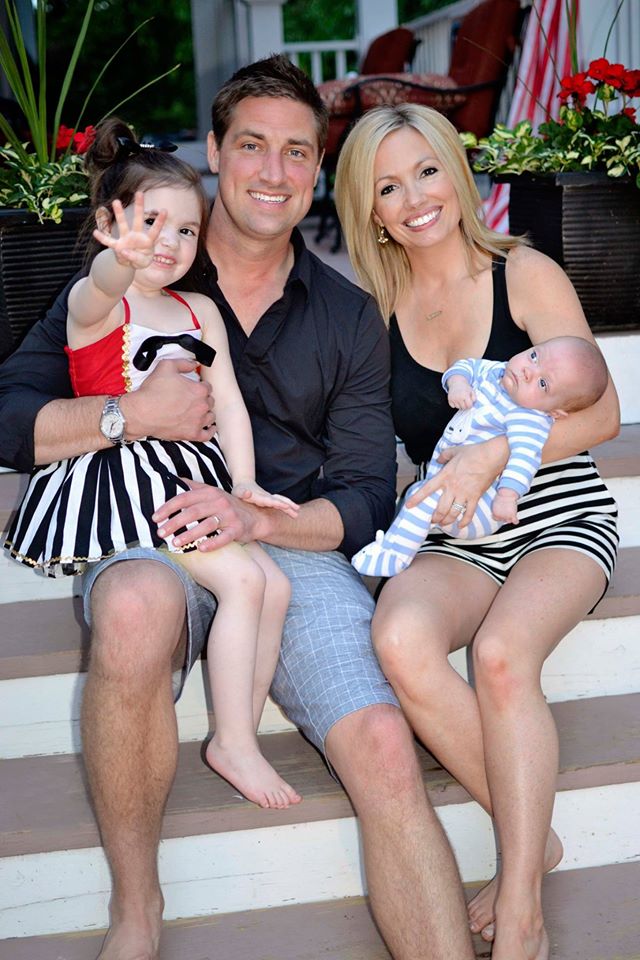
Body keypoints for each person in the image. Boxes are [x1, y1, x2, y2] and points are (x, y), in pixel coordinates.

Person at [0, 60, 478, 960]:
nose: (273, 170)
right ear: (216, 151)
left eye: (297, 151)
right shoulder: (141, 260)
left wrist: (259, 519)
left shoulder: (346, 314)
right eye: (252, 144)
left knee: (383, 738)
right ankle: (137, 908)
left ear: (317, 166)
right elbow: (12, 415)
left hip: (283, 539)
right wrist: (127, 416)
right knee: (134, 606)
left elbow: (366, 494)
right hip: (150, 522)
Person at [334, 103, 619, 960]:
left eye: (427, 171)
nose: (415, 198)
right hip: (457, 532)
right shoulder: (375, 309)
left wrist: (493, 454)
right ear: (369, 209)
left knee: (500, 655)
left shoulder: (522, 272)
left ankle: (522, 903)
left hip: (557, 513)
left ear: (456, 175)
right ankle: (536, 837)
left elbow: (602, 415)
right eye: (388, 186)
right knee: (399, 637)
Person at [4, 117, 302, 811]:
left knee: (276, 586)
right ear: (111, 224)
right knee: (243, 583)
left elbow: (229, 403)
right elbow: (99, 284)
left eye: (186, 229)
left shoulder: (198, 310)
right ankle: (234, 742)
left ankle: (239, 728)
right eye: (150, 224)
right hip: (130, 479)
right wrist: (120, 258)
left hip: (193, 474)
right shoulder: (98, 305)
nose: (168, 242)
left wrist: (245, 483)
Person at [352, 336, 609, 577]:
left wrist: (507, 496)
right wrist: (458, 384)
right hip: (448, 482)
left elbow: (524, 460)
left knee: (419, 499)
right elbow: (465, 366)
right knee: (415, 496)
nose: (528, 371)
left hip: (480, 507)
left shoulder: (529, 419)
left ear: (555, 412)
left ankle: (394, 557)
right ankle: (397, 540)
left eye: (543, 383)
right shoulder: (497, 372)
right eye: (534, 356)